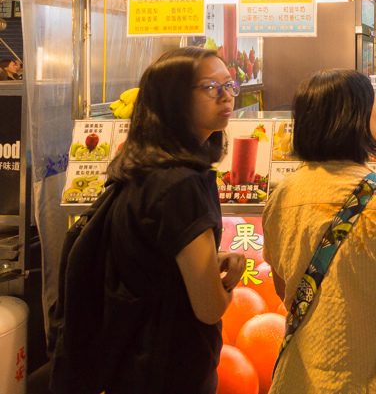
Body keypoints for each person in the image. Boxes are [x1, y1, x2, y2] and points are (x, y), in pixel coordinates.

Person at [54, 47, 245, 394]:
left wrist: (206, 261)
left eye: (229, 85)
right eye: (211, 87)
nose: (226, 96)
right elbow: (208, 308)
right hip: (169, 368)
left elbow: (148, 259)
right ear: (173, 100)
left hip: (132, 364)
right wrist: (228, 285)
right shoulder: (184, 183)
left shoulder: (143, 168)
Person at [263, 69, 376, 394]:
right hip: (372, 379)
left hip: (298, 380)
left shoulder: (281, 195)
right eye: (374, 103)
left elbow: (284, 288)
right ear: (355, 118)